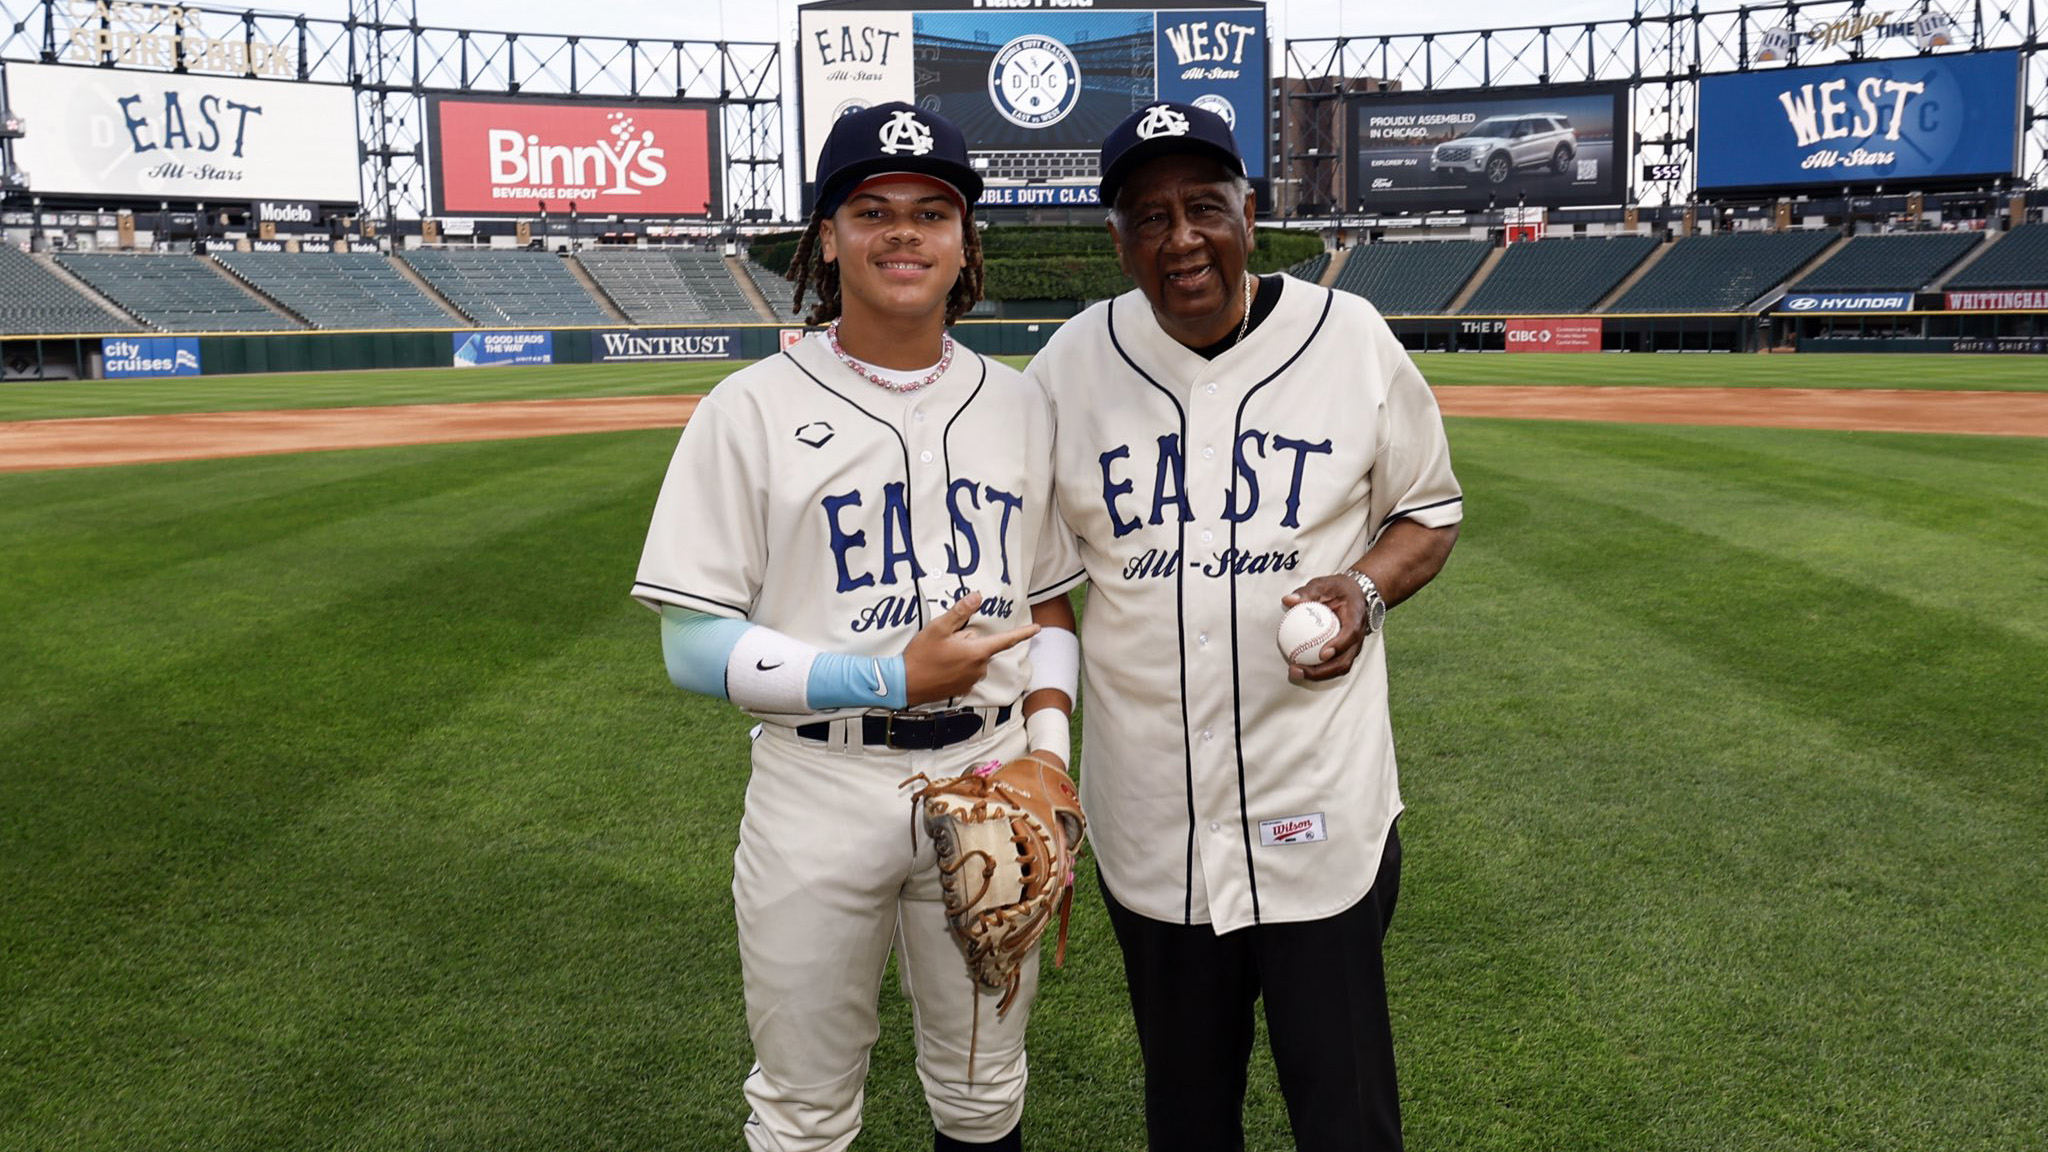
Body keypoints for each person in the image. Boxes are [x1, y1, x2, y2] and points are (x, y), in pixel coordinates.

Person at [631, 102, 1085, 1152]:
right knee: (801, 1112)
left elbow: (1050, 604)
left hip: (989, 771)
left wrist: (1051, 757)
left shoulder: (1021, 408)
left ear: (964, 241)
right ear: (825, 238)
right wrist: (883, 679)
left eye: (932, 211)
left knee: (982, 1091)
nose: (902, 233)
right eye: (870, 209)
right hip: (816, 787)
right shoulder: (744, 409)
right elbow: (692, 644)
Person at [1022, 101, 1464, 1151]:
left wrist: (1359, 591)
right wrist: (1040, 749)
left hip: (1317, 799)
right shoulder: (1068, 367)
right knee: (1184, 1117)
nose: (1181, 240)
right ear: (1117, 239)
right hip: (1150, 818)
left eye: (1204, 207)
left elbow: (1427, 509)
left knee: (1346, 1115)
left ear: (1250, 214)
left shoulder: (1347, 337)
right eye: (1148, 216)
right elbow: (1040, 580)